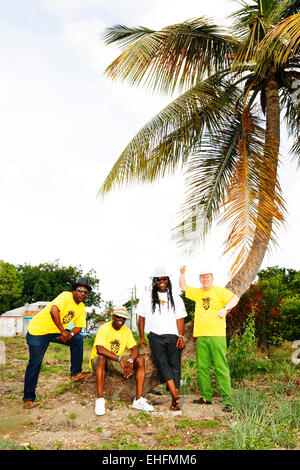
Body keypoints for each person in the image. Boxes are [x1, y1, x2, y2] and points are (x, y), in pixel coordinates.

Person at [23, 277, 92, 408]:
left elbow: (78, 327)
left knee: (77, 339)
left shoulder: (81, 307)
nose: (83, 294)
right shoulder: (66, 296)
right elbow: (53, 311)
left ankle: (76, 373)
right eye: (80, 290)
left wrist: (70, 334)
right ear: (74, 291)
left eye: (85, 292)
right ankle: (28, 398)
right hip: (38, 331)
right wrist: (63, 331)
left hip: (55, 332)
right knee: (35, 363)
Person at [179, 266, 239, 412]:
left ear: (212, 278)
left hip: (217, 336)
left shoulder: (219, 291)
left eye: (208, 277)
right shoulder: (198, 293)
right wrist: (182, 273)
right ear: (200, 279)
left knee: (221, 367)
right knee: (202, 368)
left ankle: (228, 400)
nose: (205, 280)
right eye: (203, 277)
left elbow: (235, 298)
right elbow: (183, 286)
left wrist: (225, 309)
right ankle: (206, 397)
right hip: (201, 337)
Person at [138, 266, 187, 411]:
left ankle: (175, 399)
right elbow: (141, 318)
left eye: (163, 279)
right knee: (162, 364)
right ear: (154, 281)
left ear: (168, 280)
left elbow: (180, 319)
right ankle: (175, 397)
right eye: (158, 279)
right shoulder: (147, 297)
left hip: (173, 336)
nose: (161, 281)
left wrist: (181, 336)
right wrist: (141, 337)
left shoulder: (176, 298)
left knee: (175, 365)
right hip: (155, 336)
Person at [90, 305, 154, 416]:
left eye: (123, 318)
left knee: (140, 360)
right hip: (100, 361)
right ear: (113, 316)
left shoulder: (126, 331)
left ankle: (138, 400)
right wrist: (120, 359)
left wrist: (129, 361)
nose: (121, 320)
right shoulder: (104, 328)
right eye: (118, 317)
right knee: (102, 357)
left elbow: (134, 349)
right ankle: (100, 399)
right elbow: (100, 349)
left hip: (115, 361)